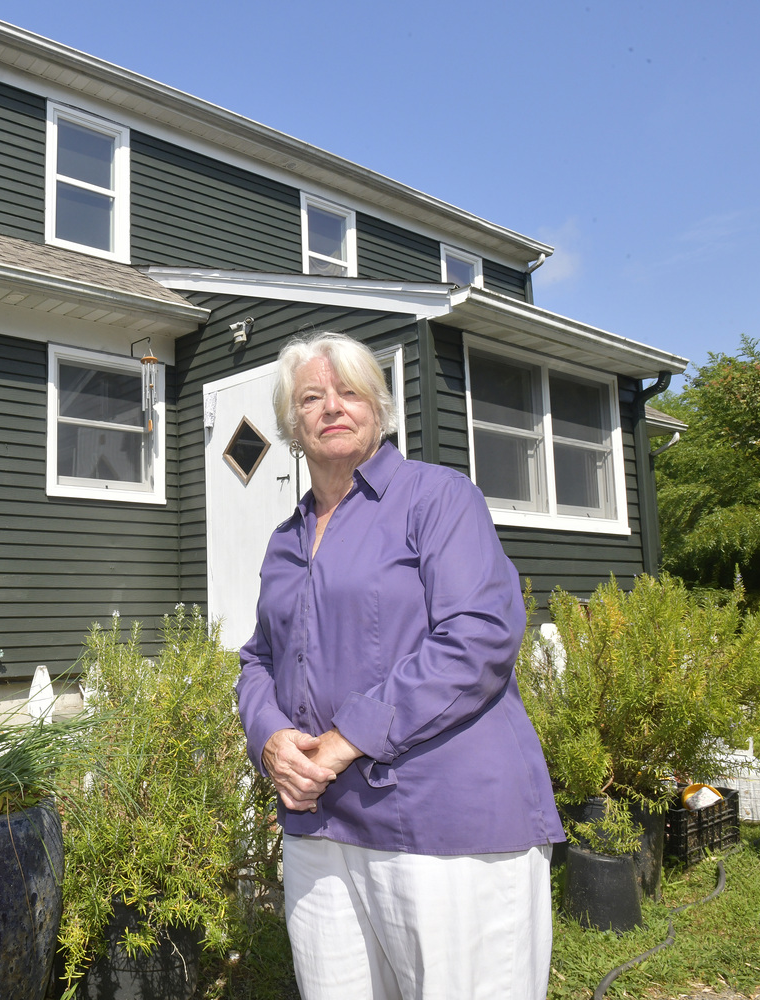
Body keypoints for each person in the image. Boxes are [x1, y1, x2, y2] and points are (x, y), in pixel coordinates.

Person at [234, 331, 564, 1000]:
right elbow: (259, 657)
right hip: (320, 825)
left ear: (379, 409)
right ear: (292, 425)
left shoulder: (437, 499)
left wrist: (343, 742)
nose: (332, 407)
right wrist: (270, 739)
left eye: (350, 392)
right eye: (311, 398)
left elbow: (479, 636)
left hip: (442, 824)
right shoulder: (286, 539)